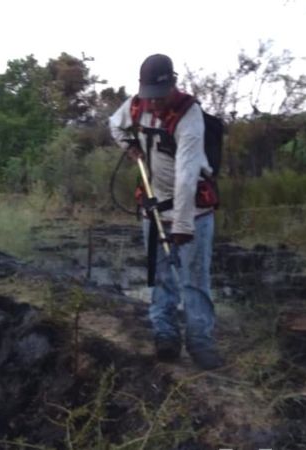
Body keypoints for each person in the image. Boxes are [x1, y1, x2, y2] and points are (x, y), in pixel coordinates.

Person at [109, 54, 223, 370]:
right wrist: (130, 148)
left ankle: (200, 343)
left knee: (194, 280)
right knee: (160, 278)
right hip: (154, 208)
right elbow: (115, 126)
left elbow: (187, 175)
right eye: (149, 97)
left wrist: (183, 223)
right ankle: (165, 335)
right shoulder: (137, 105)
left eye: (159, 98)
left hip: (194, 213)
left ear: (172, 85)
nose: (154, 104)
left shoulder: (190, 116)